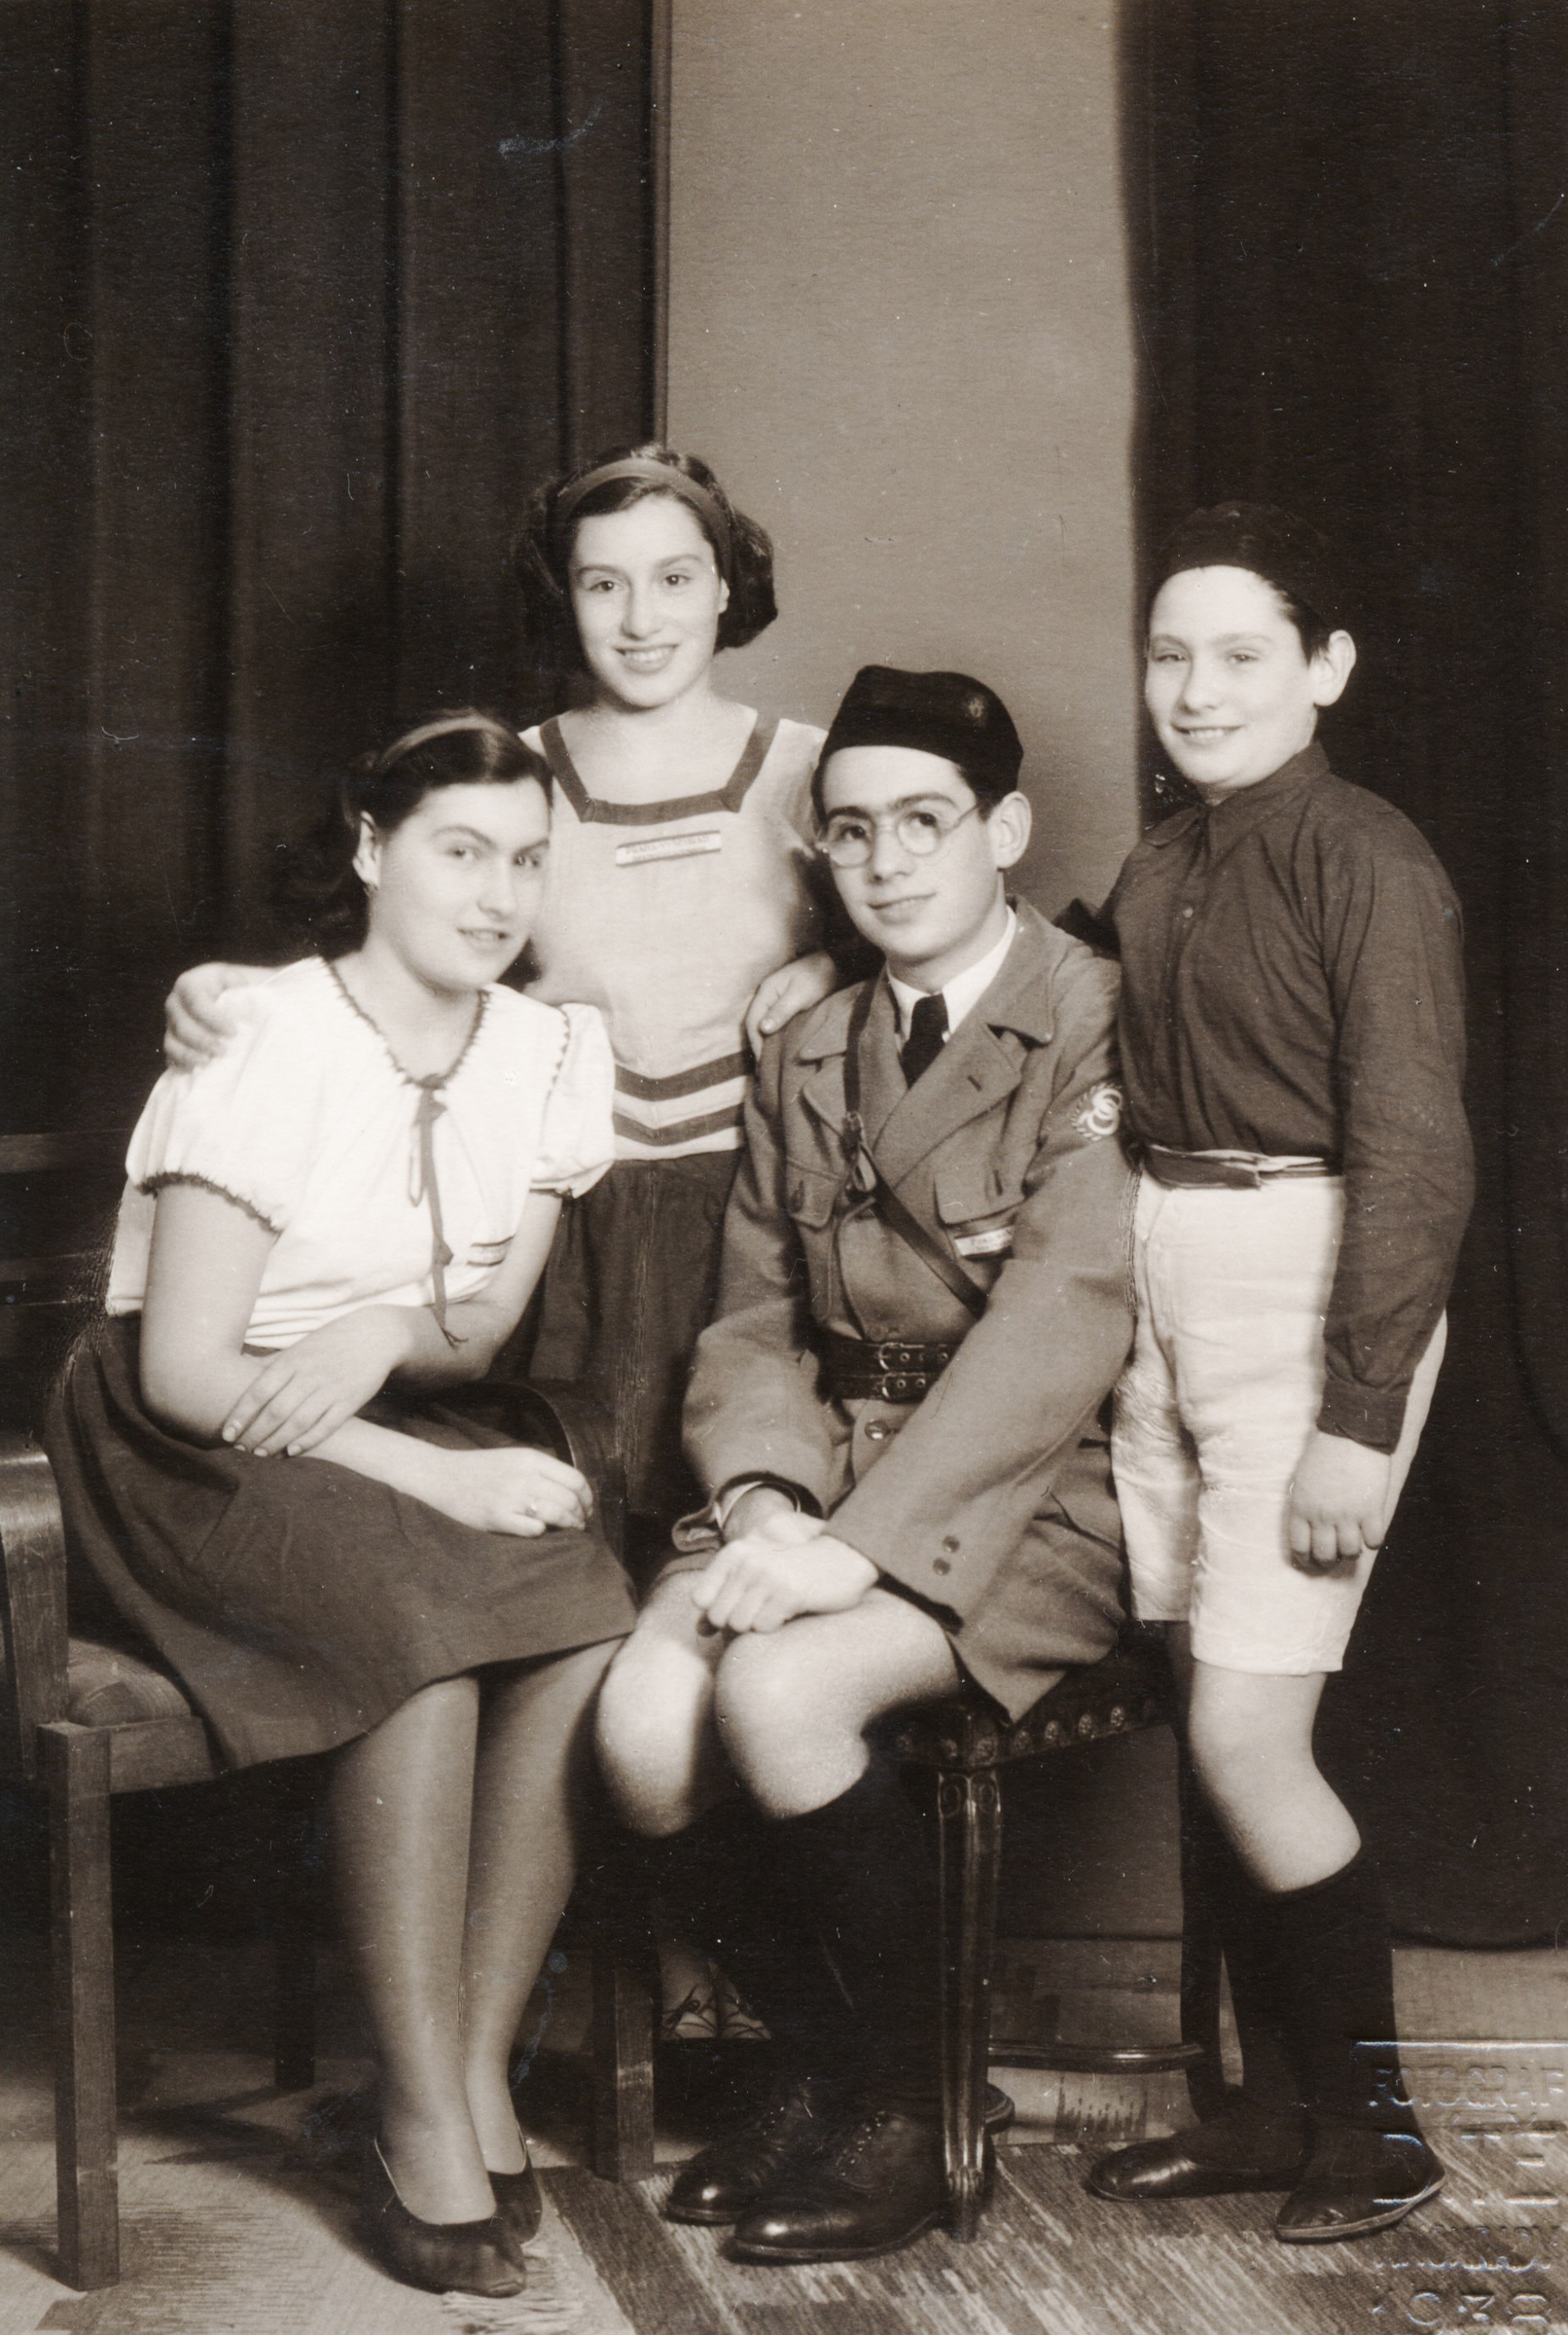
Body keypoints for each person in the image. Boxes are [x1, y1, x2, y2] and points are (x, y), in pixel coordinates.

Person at [162, 444, 849, 2044]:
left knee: (727, 1578)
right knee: (581, 1577)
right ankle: (607, 1996)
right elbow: (374, 963)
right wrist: (218, 992)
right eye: (603, 583)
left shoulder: (810, 770)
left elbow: (921, 924)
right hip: (562, 1238)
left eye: (674, 577)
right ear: (563, 601)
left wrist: (832, 970)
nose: (642, 616)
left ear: (730, 585)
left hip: (751, 1227)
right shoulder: (514, 777)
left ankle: (757, 1987)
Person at [46, 714, 637, 2300]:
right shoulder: (263, 1038)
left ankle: (470, 2063)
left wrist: (381, 1333)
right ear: (375, 850)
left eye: (527, 860)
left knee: (584, 1614)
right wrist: (435, 1472)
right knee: (417, 1636)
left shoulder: (547, 1052)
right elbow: (185, 1368)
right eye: (461, 851)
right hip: (183, 1436)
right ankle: (417, 2118)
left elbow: (479, 1333)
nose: (498, 894)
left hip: (384, 1408)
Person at [593, 665, 1135, 2263]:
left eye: (925, 823)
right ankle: (832, 2064)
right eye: (851, 831)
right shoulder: (815, 1040)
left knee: (780, 1691)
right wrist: (766, 1496)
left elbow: (1060, 1323)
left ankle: (909, 2105)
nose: (888, 862)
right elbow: (753, 1318)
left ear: (1004, 831)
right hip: (822, 1467)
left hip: (1038, 1484)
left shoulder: (1091, 1013)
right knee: (641, 1729)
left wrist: (853, 1550)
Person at [1084, 504, 1473, 2244]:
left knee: (1251, 1732)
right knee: (1202, 1705)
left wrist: (1356, 1421)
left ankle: (1378, 2133)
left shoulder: (1366, 856)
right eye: (1171, 654)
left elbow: (1419, 1157)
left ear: (1326, 669)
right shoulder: (1159, 864)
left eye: (1243, 654)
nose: (1198, 688)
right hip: (1165, 1265)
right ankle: (1262, 2111)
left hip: (1307, 1285)